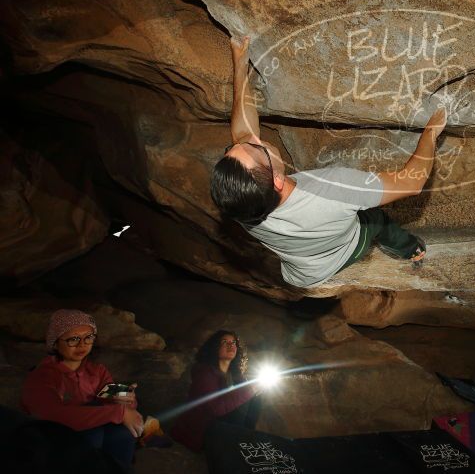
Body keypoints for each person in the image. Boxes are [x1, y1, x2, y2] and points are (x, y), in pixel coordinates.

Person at [210, 36, 448, 288]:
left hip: (303, 274)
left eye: (235, 148)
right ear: (277, 180)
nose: (254, 138)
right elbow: (412, 183)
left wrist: (239, 62)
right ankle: (410, 249)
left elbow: (243, 133)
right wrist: (430, 132)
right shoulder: (333, 188)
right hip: (346, 252)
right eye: (257, 148)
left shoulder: (239, 203)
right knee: (376, 218)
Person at [20, 309, 144, 470]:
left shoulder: (96, 371)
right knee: (92, 434)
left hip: (87, 435)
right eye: (73, 339)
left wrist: (126, 397)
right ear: (55, 343)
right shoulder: (43, 376)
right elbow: (52, 415)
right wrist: (118, 412)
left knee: (121, 434)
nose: (82, 344)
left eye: (88, 337)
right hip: (49, 439)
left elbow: (110, 393)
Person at [171, 330, 262, 453]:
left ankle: (244, 441)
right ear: (214, 347)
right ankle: (235, 445)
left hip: (226, 427)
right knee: (247, 394)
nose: (230, 345)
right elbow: (214, 408)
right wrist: (248, 391)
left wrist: (253, 391)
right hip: (202, 432)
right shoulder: (205, 374)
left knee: (256, 397)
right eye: (224, 342)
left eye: (233, 342)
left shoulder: (236, 376)